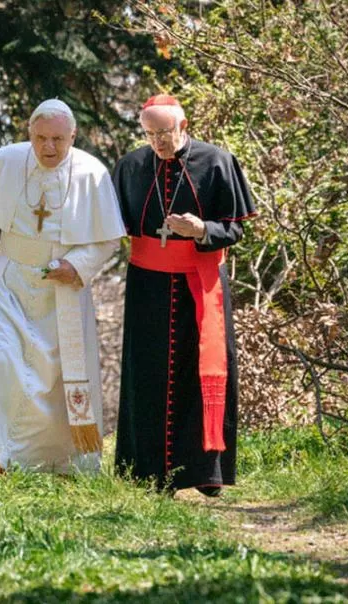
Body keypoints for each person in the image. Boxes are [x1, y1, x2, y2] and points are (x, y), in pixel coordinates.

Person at [0, 99, 125, 475]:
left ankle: (60, 462)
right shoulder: (5, 161)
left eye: (58, 139)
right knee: (2, 362)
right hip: (10, 280)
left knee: (56, 378)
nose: (48, 147)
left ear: (73, 136)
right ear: (29, 134)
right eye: (40, 138)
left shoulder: (91, 173)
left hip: (64, 289)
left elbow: (107, 239)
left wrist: (76, 266)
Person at [112, 95, 256, 496]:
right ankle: (148, 473)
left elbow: (235, 229)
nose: (158, 141)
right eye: (150, 134)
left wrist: (202, 230)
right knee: (147, 374)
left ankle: (205, 472)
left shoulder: (217, 161)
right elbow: (110, 223)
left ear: (183, 126)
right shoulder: (131, 166)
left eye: (165, 132)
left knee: (204, 371)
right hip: (147, 286)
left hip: (201, 281)